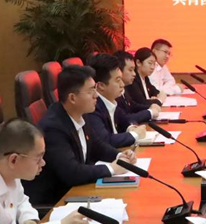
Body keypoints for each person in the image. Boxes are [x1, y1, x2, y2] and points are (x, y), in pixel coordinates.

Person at [24, 65, 136, 206]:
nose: (96, 95)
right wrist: (112, 169)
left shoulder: (80, 113)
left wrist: (119, 156)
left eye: (95, 89)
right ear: (72, 98)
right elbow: (72, 172)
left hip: (76, 191)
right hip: (56, 201)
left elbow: (96, 145)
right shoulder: (53, 128)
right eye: (90, 91)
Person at [86, 53, 147, 148]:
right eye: (118, 80)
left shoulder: (110, 100)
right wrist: (135, 134)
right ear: (101, 86)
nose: (122, 84)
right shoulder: (92, 107)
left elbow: (125, 118)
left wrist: (131, 128)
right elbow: (106, 141)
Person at [115, 50, 160, 122]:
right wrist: (149, 112)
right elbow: (124, 119)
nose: (134, 74)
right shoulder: (114, 92)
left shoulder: (124, 88)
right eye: (130, 70)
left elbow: (133, 105)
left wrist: (150, 106)